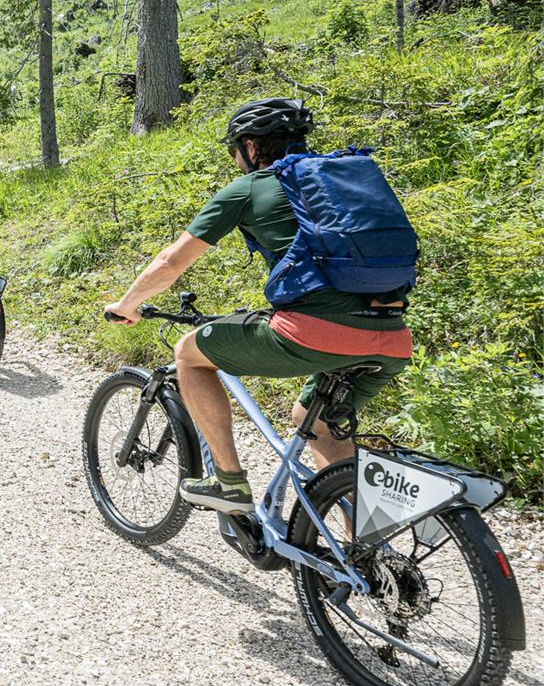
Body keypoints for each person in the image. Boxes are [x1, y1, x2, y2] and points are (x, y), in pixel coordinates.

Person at [103, 98, 413, 514]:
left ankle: (229, 483)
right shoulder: (340, 184)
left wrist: (128, 303)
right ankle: (365, 557)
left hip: (315, 333)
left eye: (235, 149)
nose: (236, 159)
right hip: (391, 338)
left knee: (190, 354)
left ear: (250, 147)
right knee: (318, 422)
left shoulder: (251, 187)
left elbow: (171, 262)